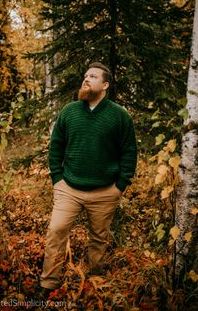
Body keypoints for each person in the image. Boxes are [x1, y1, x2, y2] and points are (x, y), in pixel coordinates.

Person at [39, 62, 137, 298]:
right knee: (56, 231)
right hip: (68, 188)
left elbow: (129, 151)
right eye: (85, 75)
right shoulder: (69, 111)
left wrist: (120, 185)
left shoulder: (119, 116)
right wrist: (57, 179)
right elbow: (56, 147)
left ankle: (94, 280)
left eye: (92, 76)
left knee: (98, 239)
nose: (86, 79)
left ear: (105, 85)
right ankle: (48, 283)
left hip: (105, 191)